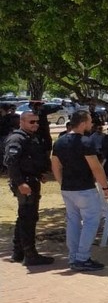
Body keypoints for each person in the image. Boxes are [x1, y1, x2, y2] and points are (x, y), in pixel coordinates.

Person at [50, 111, 108, 272]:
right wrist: (105, 187)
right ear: (83, 123)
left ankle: (73, 257)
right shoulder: (86, 142)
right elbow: (96, 167)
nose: (91, 124)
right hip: (85, 188)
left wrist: (62, 183)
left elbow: (55, 166)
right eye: (90, 121)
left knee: (73, 222)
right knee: (91, 221)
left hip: (68, 189)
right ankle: (82, 257)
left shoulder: (59, 142)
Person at [4, 111, 55, 266]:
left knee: (25, 217)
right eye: (31, 122)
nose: (35, 124)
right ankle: (30, 254)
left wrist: (39, 175)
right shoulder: (17, 138)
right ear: (22, 122)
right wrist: (20, 183)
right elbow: (11, 163)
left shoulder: (30, 138)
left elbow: (30, 160)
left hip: (31, 180)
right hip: (24, 184)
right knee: (28, 218)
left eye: (37, 122)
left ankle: (18, 252)